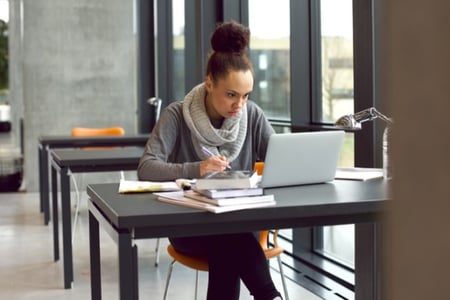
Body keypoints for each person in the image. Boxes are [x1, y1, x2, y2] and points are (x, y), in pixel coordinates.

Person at [138, 20, 282, 300]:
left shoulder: (251, 115)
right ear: (209, 84)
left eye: (245, 96)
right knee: (230, 239)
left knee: (229, 237)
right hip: (190, 228)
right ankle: (269, 296)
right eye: (231, 95)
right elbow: (146, 167)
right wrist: (198, 168)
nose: (239, 105)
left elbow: (280, 160)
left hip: (239, 223)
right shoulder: (176, 115)